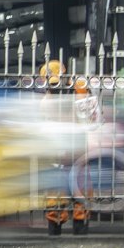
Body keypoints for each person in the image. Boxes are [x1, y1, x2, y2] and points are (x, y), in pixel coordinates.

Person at [39, 60, 90, 236]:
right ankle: (57, 226)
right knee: (57, 197)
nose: (55, 87)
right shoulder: (49, 101)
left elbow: (91, 118)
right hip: (61, 154)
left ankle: (77, 225)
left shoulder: (78, 94)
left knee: (78, 194)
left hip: (76, 152)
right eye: (52, 84)